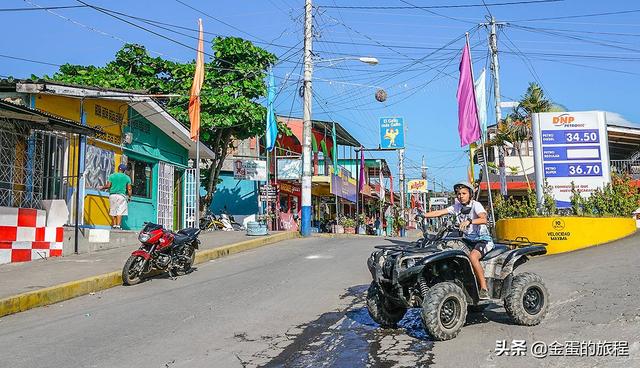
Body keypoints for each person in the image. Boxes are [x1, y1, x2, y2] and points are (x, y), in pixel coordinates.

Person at [422, 181, 493, 300]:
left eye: (464, 193)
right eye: (459, 194)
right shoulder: (457, 207)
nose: (461, 196)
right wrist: (423, 215)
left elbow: (484, 219)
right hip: (467, 240)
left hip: (482, 240)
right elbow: (440, 212)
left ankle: (484, 288)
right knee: (447, 250)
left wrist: (469, 221)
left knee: (473, 257)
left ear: (470, 194)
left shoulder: (476, 205)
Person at [100, 163, 132, 229]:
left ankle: (114, 225)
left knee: (113, 210)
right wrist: (129, 196)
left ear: (118, 169)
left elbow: (108, 186)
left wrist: (102, 187)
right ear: (124, 170)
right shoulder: (127, 178)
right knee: (120, 211)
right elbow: (129, 188)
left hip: (112, 195)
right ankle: (118, 226)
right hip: (121, 196)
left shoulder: (112, 176)